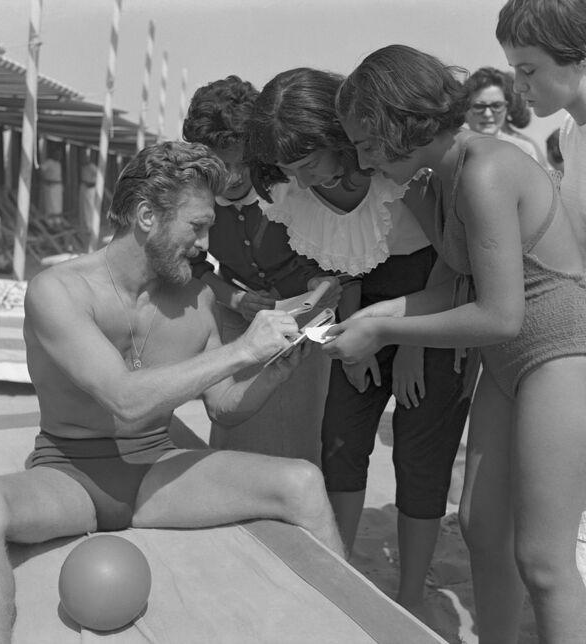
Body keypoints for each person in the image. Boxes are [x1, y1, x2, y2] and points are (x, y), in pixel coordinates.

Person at [0, 141, 344, 644]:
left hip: (158, 472)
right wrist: (244, 349)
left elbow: (223, 406)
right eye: (196, 226)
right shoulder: (59, 291)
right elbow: (125, 401)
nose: (206, 244)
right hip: (69, 473)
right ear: (146, 215)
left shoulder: (197, 297)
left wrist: (274, 370)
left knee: (303, 481)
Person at [333, 44, 586, 643]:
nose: (364, 160)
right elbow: (450, 292)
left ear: (402, 122)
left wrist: (384, 326)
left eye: (368, 143)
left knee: (545, 561)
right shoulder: (435, 180)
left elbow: (499, 315)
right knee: (479, 525)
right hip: (509, 359)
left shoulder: (486, 168)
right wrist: (364, 319)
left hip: (561, 351)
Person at [244, 67, 478, 622]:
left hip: (432, 308)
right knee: (342, 443)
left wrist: (414, 345)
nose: (300, 181)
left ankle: (412, 596)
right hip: (358, 318)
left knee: (423, 453)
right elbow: (337, 271)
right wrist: (358, 342)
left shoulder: (396, 171)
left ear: (340, 134)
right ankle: (341, 572)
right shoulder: (291, 189)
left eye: (309, 164)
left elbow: (449, 255)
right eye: (287, 170)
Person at [181, 75, 340, 464]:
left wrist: (321, 286)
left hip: (308, 319)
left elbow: (339, 254)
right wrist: (232, 297)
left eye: (242, 162)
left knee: (299, 428)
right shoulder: (192, 196)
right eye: (220, 163)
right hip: (237, 316)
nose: (233, 176)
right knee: (234, 421)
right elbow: (193, 262)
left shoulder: (294, 184)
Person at [496, 0, 586, 262]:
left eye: (528, 71)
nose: (518, 87)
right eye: (515, 70)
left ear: (579, 57)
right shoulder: (570, 132)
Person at [463, 66, 546, 164]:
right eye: (479, 106)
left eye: (496, 106)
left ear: (507, 108)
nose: (488, 114)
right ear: (465, 109)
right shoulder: (453, 150)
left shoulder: (523, 150)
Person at [39, 147, 65, 231]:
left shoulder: (58, 164)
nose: (59, 156)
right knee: (51, 204)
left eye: (60, 155)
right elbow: (40, 169)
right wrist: (45, 180)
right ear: (53, 154)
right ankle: (50, 224)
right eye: (57, 154)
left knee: (58, 205)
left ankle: (58, 222)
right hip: (50, 187)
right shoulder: (49, 162)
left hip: (58, 186)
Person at [78, 150, 98, 232]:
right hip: (84, 187)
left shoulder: (92, 166)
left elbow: (98, 176)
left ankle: (90, 226)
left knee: (90, 207)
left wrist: (92, 183)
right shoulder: (83, 166)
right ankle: (85, 225)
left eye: (85, 158)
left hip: (90, 189)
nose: (83, 160)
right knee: (83, 207)